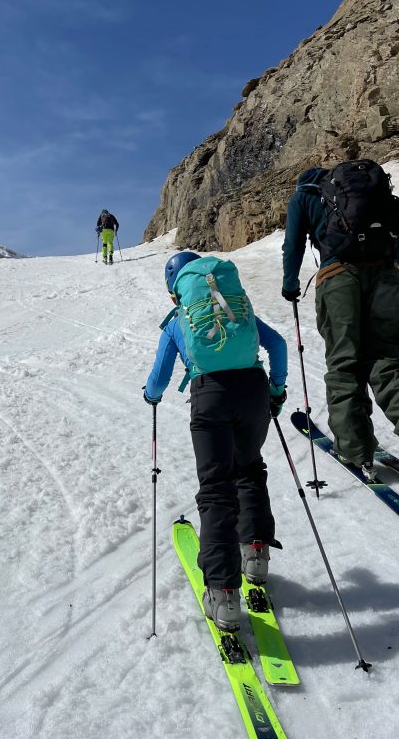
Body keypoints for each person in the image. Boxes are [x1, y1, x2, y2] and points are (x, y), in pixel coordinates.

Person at [143, 251, 288, 632]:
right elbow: (277, 345)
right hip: (254, 389)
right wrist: (276, 389)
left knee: (216, 488)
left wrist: (151, 396)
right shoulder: (236, 311)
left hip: (210, 396)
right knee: (250, 469)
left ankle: (224, 594)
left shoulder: (179, 320)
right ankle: (255, 556)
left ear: (175, 290)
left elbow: (159, 377)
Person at [282, 161, 399, 475]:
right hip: (386, 278)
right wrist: (392, 261)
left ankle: (356, 449)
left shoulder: (303, 196)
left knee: (345, 363)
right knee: (391, 356)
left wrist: (290, 286)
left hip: (337, 280)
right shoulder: (370, 191)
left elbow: (293, 245)